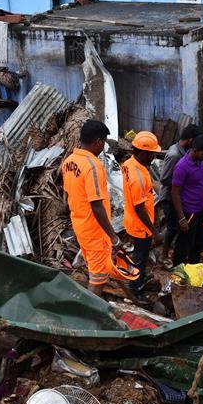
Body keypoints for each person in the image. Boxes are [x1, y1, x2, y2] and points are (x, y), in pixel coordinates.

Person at [62, 120, 126, 296]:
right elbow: (96, 205)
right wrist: (114, 238)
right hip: (94, 229)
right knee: (98, 278)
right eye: (104, 142)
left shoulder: (69, 162)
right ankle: (87, 316)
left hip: (80, 224)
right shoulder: (93, 166)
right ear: (98, 141)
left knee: (95, 268)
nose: (103, 146)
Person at [122, 131, 162, 296]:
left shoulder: (129, 163)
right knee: (140, 259)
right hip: (141, 226)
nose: (153, 157)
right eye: (152, 153)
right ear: (143, 153)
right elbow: (140, 208)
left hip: (132, 220)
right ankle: (135, 290)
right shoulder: (138, 177)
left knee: (139, 256)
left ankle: (137, 282)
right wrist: (154, 232)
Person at [171, 134, 203, 267]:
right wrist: (181, 218)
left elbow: (199, 182)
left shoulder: (199, 162)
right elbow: (175, 193)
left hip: (202, 209)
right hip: (190, 211)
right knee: (185, 242)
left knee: (199, 241)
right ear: (195, 150)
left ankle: (194, 267)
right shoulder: (182, 166)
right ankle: (178, 269)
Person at [159, 124, 200, 261]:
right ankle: (164, 255)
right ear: (190, 140)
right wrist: (183, 184)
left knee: (176, 227)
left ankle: (171, 251)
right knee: (172, 228)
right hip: (169, 197)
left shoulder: (181, 150)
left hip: (177, 195)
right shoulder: (175, 154)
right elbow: (164, 178)